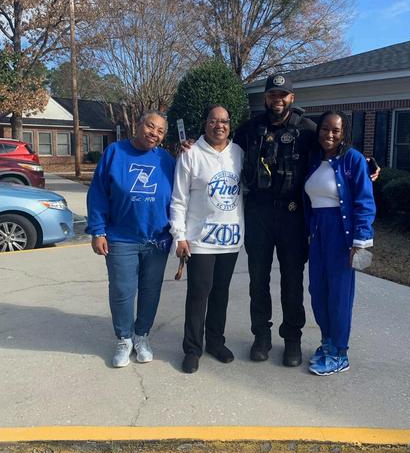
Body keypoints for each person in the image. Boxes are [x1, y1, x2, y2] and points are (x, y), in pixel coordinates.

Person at [233, 74, 317, 367]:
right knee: (258, 279)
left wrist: (364, 164)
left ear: (292, 98)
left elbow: (333, 154)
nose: (277, 100)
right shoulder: (248, 129)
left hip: (292, 216)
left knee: (292, 280)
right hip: (259, 213)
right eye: (272, 95)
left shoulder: (308, 130)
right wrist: (191, 147)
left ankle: (292, 339)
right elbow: (221, 153)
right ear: (265, 98)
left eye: (283, 95)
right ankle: (261, 336)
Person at [87, 111, 175, 368]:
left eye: (160, 131)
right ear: (138, 125)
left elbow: (181, 194)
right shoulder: (115, 152)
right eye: (150, 126)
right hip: (121, 238)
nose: (154, 133)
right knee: (122, 291)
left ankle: (142, 335)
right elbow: (98, 193)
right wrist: (98, 231)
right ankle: (124, 338)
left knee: (150, 291)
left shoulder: (166, 160)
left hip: (157, 239)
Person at [170, 105, 244, 374]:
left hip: (230, 239)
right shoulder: (190, 154)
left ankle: (215, 342)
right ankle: (192, 348)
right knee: (198, 294)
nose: (219, 126)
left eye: (224, 121)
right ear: (205, 124)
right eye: (213, 120)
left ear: (230, 125)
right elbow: (179, 199)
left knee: (220, 294)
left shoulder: (239, 153)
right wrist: (179, 235)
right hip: (199, 240)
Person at [304, 111, 376, 376]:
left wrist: (360, 241)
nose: (330, 135)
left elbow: (364, 200)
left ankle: (339, 353)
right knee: (318, 291)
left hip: (341, 233)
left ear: (344, 133)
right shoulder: (314, 159)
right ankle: (327, 342)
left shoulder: (353, 159)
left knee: (339, 295)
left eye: (336, 130)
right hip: (318, 232)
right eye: (325, 129)